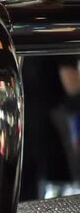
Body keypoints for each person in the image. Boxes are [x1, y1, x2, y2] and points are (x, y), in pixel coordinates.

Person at [20, 55, 80, 201]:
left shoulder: (18, 35)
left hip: (19, 126)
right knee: (57, 196)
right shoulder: (59, 34)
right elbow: (71, 85)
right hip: (50, 129)